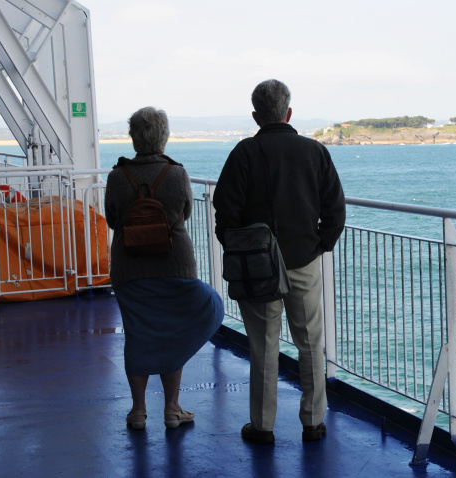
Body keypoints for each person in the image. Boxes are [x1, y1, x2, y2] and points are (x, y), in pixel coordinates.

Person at [213, 79, 346, 444]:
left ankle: (262, 426)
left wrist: (239, 246)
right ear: (289, 112)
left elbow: (225, 210)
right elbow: (335, 209)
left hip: (257, 265)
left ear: (256, 116)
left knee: (263, 344)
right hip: (303, 259)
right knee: (309, 342)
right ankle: (314, 422)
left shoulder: (244, 153)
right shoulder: (315, 151)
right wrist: (319, 245)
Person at [105, 106, 224, 431]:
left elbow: (113, 219)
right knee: (175, 331)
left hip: (129, 268)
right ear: (164, 136)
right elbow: (184, 213)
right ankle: (172, 409)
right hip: (175, 265)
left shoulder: (118, 176)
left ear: (133, 138)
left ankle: (138, 410)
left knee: (137, 334)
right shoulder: (176, 173)